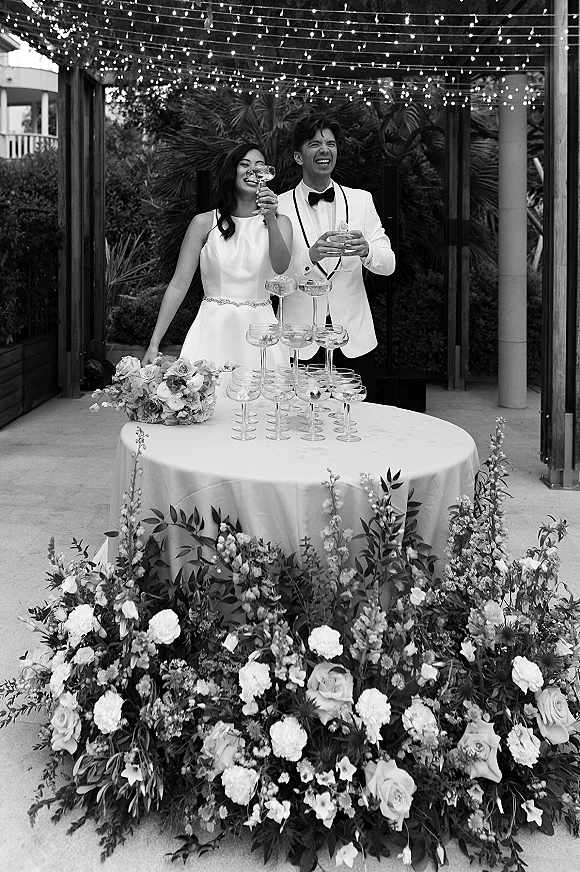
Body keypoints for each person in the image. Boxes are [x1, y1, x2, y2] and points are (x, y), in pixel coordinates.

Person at [142, 142, 292, 370]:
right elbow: (179, 284)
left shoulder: (280, 222)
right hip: (211, 333)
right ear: (232, 171)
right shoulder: (204, 223)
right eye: (245, 165)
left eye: (260, 166)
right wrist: (154, 343)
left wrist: (270, 218)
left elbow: (281, 267)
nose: (253, 171)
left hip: (262, 334)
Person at [278, 115, 396, 400]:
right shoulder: (278, 205)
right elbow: (270, 275)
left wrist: (366, 249)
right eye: (315, 144)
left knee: (354, 424)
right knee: (300, 427)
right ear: (298, 156)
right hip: (299, 341)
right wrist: (309, 257)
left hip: (353, 339)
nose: (324, 150)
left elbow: (389, 264)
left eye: (330, 144)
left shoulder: (361, 201)